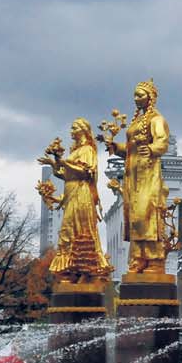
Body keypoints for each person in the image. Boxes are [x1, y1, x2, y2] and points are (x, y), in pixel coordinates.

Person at [103, 79, 171, 273]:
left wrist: (151, 148)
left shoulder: (156, 119)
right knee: (135, 218)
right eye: (135, 95)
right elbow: (130, 150)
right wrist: (115, 147)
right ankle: (139, 258)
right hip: (133, 175)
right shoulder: (137, 122)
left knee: (146, 215)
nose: (136, 98)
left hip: (148, 174)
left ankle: (155, 260)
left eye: (140, 95)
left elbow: (162, 143)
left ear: (150, 98)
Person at [39, 119, 111, 281]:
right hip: (71, 191)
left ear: (83, 130)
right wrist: (55, 162)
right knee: (68, 229)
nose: (71, 131)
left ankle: (83, 270)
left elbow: (85, 172)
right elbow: (64, 174)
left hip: (81, 192)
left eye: (74, 128)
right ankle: (70, 270)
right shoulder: (76, 150)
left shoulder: (87, 150)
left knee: (76, 228)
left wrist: (64, 161)